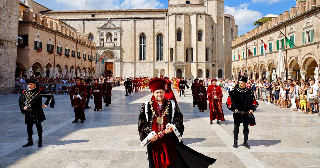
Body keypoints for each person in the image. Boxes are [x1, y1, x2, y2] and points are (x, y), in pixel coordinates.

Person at [138, 78, 216, 168]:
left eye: (161, 92)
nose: (159, 94)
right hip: (154, 141)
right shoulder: (147, 106)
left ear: (164, 92)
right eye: (157, 92)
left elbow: (179, 118)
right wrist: (149, 136)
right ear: (153, 93)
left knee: (171, 163)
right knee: (156, 164)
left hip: (168, 140)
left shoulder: (171, 104)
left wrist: (172, 128)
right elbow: (141, 123)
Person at [19, 78, 54, 147]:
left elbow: (49, 95)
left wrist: (46, 104)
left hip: (37, 111)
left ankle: (40, 140)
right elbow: (21, 100)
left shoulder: (39, 91)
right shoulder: (26, 92)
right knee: (29, 126)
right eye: (28, 84)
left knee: (38, 126)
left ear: (35, 84)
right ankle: (30, 140)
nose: (29, 86)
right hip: (28, 112)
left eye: (31, 84)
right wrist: (24, 107)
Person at [226, 76, 258, 149]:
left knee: (246, 128)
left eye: (242, 83)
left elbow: (254, 102)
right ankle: (235, 142)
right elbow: (229, 102)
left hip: (246, 112)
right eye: (239, 83)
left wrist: (252, 109)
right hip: (237, 113)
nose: (240, 84)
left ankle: (245, 142)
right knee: (236, 127)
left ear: (245, 83)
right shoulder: (234, 92)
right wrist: (233, 109)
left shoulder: (249, 92)